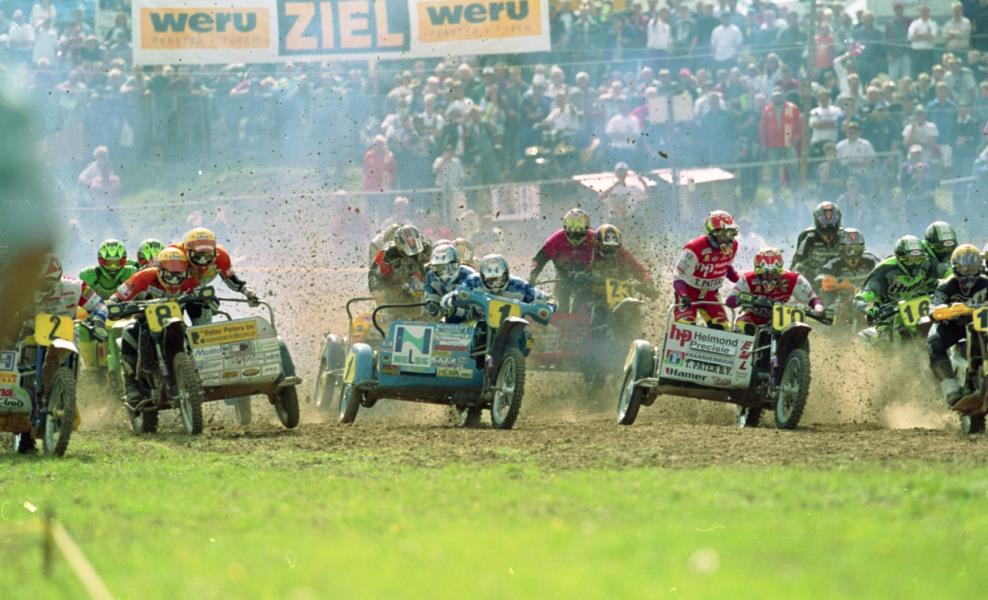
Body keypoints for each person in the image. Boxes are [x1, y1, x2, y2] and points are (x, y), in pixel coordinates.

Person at [111, 248, 197, 403]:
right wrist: (116, 303)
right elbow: (118, 296)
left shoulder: (190, 280)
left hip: (176, 322)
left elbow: (201, 292)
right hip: (145, 321)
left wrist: (207, 297)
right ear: (160, 270)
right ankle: (131, 383)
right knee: (128, 333)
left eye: (179, 276)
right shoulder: (142, 277)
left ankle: (198, 370)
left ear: (186, 273)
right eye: (169, 275)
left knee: (193, 334)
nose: (174, 280)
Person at [928, 245, 988, 406]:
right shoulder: (945, 286)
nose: (969, 274)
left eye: (973, 269)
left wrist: (973, 308)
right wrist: (944, 311)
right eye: (965, 269)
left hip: (982, 323)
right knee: (934, 343)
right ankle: (950, 388)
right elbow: (933, 309)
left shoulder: (986, 283)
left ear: (980, 267)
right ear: (955, 268)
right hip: (953, 325)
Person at [726, 248, 825, 334]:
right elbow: (730, 301)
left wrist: (818, 308)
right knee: (744, 327)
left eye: (774, 272)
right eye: (765, 272)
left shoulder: (794, 279)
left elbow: (812, 298)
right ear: (757, 271)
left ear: (780, 270)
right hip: (752, 315)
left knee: (794, 331)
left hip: (780, 317)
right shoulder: (747, 279)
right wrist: (743, 299)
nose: (770, 276)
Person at [171, 227, 258, 325]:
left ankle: (203, 332)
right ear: (187, 252)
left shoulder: (221, 256)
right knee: (174, 323)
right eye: (198, 256)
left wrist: (247, 292)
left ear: (214, 251)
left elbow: (231, 279)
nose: (203, 262)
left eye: (207, 256)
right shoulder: (174, 255)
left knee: (205, 312)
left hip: (197, 292)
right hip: (173, 293)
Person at [672, 210, 740, 329]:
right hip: (689, 292)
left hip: (711, 293)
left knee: (724, 327)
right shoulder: (694, 247)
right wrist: (683, 294)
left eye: (731, 233)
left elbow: (727, 267)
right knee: (685, 325)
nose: (728, 239)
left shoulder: (734, 246)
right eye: (724, 234)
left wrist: (741, 280)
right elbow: (678, 276)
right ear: (713, 233)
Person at [855, 235, 942, 326]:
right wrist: (868, 309)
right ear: (899, 257)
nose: (915, 264)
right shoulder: (884, 270)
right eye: (909, 260)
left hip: (926, 308)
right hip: (889, 315)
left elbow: (947, 272)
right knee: (884, 333)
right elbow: (862, 297)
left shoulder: (927, 263)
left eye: (918, 259)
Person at [529, 208, 596, 312]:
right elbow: (540, 258)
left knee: (582, 305)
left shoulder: (595, 239)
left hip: (586, 278)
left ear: (587, 229)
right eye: (571, 233)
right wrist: (533, 276)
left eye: (579, 234)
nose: (575, 238)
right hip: (563, 276)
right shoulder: (556, 239)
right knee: (560, 303)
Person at [585, 224, 657, 301]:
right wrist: (582, 276)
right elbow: (579, 268)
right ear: (597, 243)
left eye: (614, 248)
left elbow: (638, 269)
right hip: (591, 294)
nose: (610, 252)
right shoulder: (589, 252)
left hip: (619, 293)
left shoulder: (622, 254)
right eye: (606, 247)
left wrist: (647, 282)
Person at [817, 228, 879, 314]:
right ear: (841, 249)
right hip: (839, 302)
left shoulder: (870, 260)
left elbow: (883, 270)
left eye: (857, 250)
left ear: (862, 249)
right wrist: (840, 285)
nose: (853, 254)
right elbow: (819, 279)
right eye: (848, 250)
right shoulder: (833, 262)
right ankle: (827, 315)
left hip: (867, 300)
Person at [369, 224, 429, 305]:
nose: (412, 244)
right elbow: (374, 272)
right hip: (395, 286)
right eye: (409, 242)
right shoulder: (387, 252)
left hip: (423, 285)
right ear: (398, 243)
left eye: (413, 241)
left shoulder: (427, 247)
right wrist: (376, 290)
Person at [791, 202, 845, 288]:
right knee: (799, 268)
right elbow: (797, 262)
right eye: (824, 220)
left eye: (832, 219)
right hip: (812, 278)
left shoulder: (844, 235)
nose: (828, 224)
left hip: (837, 278)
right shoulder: (809, 236)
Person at [424, 244, 476, 323]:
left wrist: (456, 310)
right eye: (439, 269)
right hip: (448, 316)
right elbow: (433, 303)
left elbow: (477, 309)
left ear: (457, 264)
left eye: (448, 268)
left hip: (472, 317)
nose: (444, 273)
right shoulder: (431, 277)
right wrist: (433, 307)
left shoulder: (470, 275)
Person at [464, 254, 546, 304]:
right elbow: (457, 297)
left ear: (507, 274)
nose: (495, 285)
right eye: (490, 281)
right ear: (481, 277)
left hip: (512, 325)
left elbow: (544, 301)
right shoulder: (472, 281)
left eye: (500, 280)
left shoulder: (520, 286)